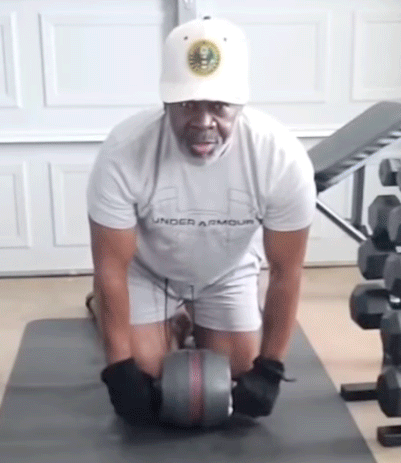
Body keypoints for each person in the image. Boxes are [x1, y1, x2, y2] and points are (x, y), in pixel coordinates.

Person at [86, 15, 316, 425]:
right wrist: (118, 369)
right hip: (149, 271)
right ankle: (156, 320)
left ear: (240, 105)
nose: (204, 122)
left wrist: (270, 368)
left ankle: (186, 318)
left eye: (219, 106)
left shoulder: (281, 158)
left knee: (236, 371)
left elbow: (287, 271)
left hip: (226, 271)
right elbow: (110, 269)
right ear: (167, 104)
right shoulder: (123, 152)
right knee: (149, 373)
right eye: (188, 105)